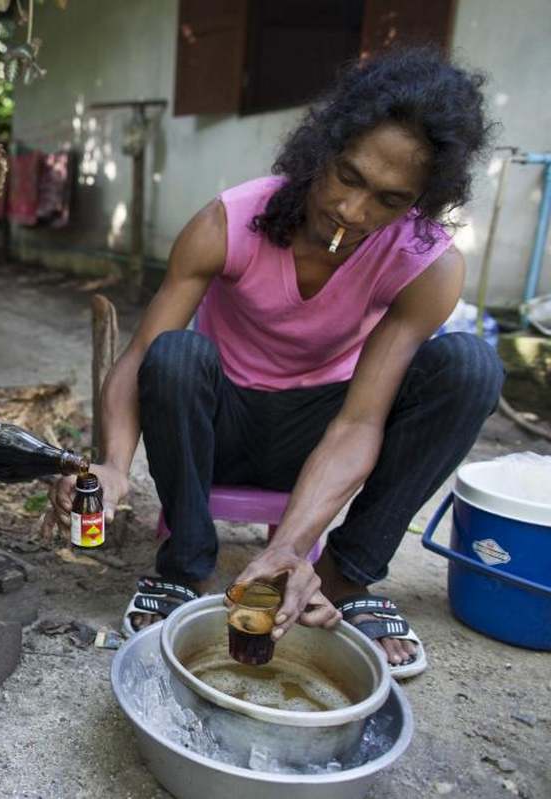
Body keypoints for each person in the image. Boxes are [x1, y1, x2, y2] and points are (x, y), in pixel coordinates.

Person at [49, 48, 502, 679]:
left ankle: (342, 578)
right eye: (347, 176)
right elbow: (139, 358)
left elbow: (358, 423)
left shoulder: (428, 264)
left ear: (421, 202)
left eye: (389, 200)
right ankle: (183, 566)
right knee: (175, 354)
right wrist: (114, 463)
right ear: (322, 148)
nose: (352, 211)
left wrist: (290, 545)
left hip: (319, 432)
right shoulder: (229, 221)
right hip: (221, 425)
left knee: (470, 366)